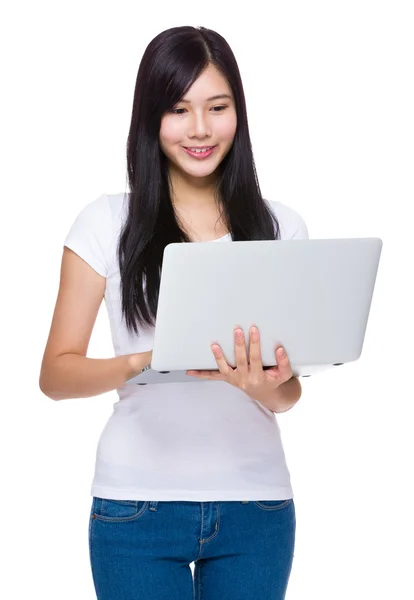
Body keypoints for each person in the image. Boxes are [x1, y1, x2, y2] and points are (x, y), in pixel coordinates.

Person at [39, 25, 308, 600]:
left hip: (255, 507)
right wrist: (145, 360)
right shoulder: (105, 223)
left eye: (218, 107)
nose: (201, 129)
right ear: (151, 118)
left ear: (239, 112)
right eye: (179, 110)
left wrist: (261, 383)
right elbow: (56, 375)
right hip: (137, 507)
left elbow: (289, 397)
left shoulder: (281, 227)